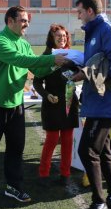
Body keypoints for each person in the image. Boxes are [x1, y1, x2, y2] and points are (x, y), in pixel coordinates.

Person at [0, 6, 67, 202]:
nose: (27, 23)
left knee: (16, 148)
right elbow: (20, 60)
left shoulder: (24, 43)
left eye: (27, 20)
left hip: (15, 104)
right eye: (22, 20)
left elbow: (36, 71)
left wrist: (55, 65)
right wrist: (51, 58)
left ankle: (13, 186)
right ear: (10, 21)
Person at [70, 0, 111, 209]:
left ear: (91, 11)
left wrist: (88, 72)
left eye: (80, 11)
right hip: (97, 101)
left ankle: (98, 202)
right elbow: (99, 63)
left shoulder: (106, 29)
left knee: (87, 151)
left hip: (107, 102)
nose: (78, 15)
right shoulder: (94, 31)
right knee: (102, 151)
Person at [33, 24, 79, 186]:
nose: (62, 38)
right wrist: (46, 95)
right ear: (51, 38)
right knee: (52, 139)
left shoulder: (72, 56)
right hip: (51, 104)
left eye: (64, 36)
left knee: (67, 140)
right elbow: (37, 82)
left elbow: (80, 74)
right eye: (58, 36)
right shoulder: (46, 56)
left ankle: (65, 174)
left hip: (69, 102)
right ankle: (43, 174)